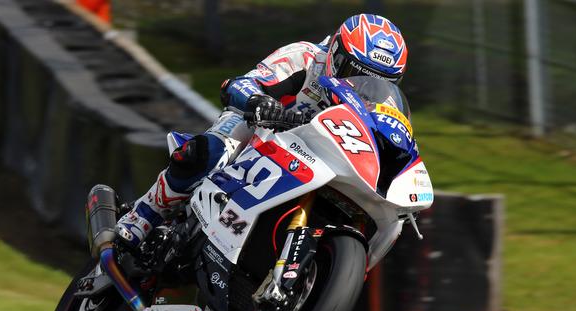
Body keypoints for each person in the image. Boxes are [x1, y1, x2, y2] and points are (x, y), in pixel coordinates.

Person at [115, 13, 409, 247]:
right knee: (211, 152)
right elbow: (239, 84)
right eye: (353, 73)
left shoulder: (384, 103)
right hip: (265, 132)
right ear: (335, 53)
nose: (362, 86)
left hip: (323, 159)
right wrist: (260, 102)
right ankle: (144, 214)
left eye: (380, 81)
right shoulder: (306, 58)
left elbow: (392, 142)